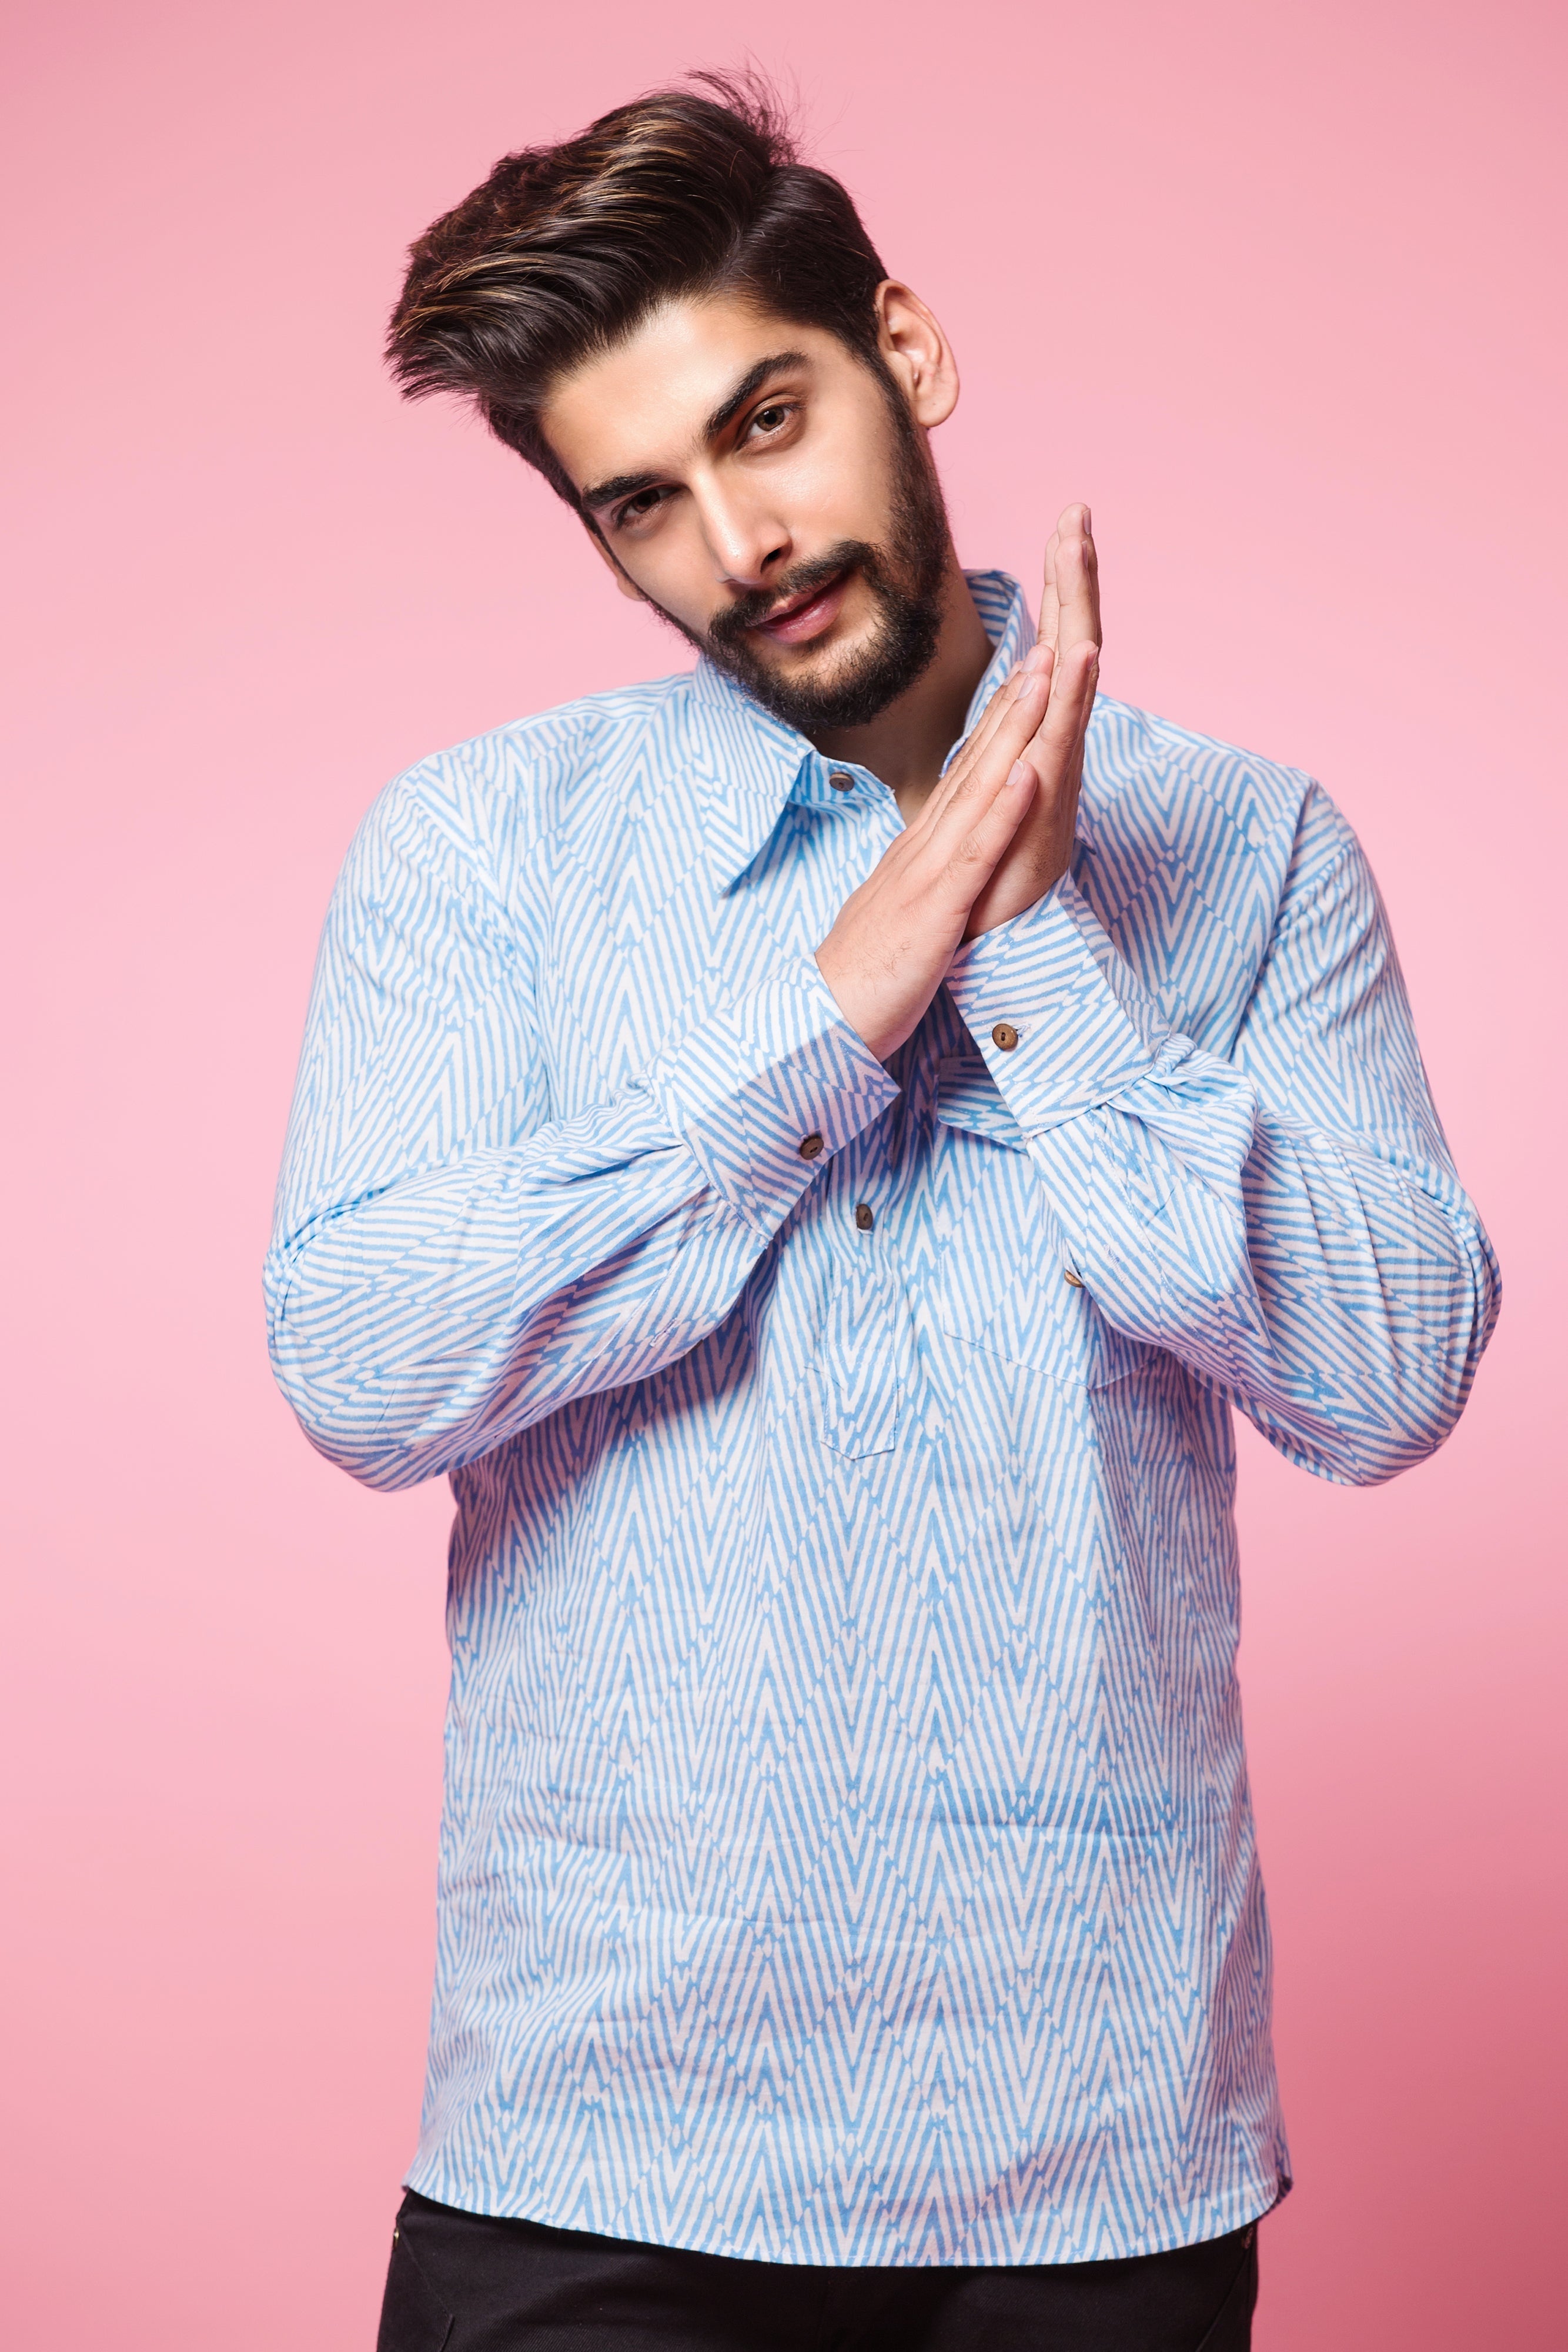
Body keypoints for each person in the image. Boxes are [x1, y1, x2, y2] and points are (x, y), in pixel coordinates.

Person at [266, 72, 1499, 2351]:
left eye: (769, 421)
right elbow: (363, 1364)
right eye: (645, 500)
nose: (740, 537)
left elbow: (1389, 1374)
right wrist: (826, 1019)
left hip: (1094, 2150)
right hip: (596, 2142)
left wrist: (1027, 935)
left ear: (902, 352)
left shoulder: (1250, 847)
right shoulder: (479, 846)